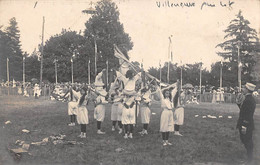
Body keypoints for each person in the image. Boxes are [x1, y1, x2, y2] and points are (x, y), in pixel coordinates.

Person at [236, 82, 256, 163]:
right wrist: (238, 104)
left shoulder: (248, 100)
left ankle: (249, 160)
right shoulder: (248, 99)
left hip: (246, 124)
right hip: (246, 123)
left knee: (247, 141)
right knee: (245, 140)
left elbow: (247, 114)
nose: (242, 89)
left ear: (247, 90)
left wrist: (244, 125)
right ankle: (249, 159)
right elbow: (243, 110)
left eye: (244, 88)